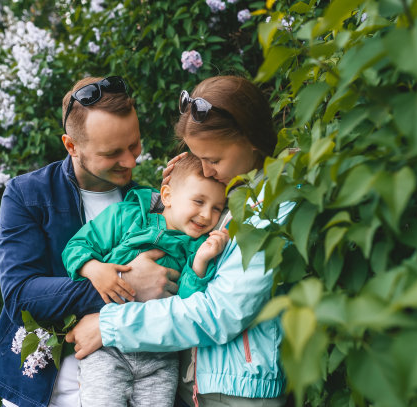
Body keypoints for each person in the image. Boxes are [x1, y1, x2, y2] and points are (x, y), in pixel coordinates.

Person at [65, 75, 297, 407]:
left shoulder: (274, 204)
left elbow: (219, 311)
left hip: (240, 392)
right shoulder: (236, 196)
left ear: (252, 140)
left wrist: (109, 324)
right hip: (198, 385)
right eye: (197, 157)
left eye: (213, 160)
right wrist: (170, 202)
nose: (207, 170)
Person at [0, 76, 181, 407]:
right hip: (45, 391)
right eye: (113, 153)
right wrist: (125, 285)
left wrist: (184, 198)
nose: (131, 161)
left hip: (129, 387)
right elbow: (19, 296)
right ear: (71, 146)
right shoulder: (27, 194)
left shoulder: (146, 202)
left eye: (134, 145)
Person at [62, 154, 230, 406]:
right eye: (198, 201)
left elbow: (188, 304)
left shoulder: (197, 248)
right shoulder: (128, 216)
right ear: (167, 195)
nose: (206, 215)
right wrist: (95, 269)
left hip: (160, 355)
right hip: (107, 346)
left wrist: (199, 265)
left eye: (217, 208)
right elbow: (77, 245)